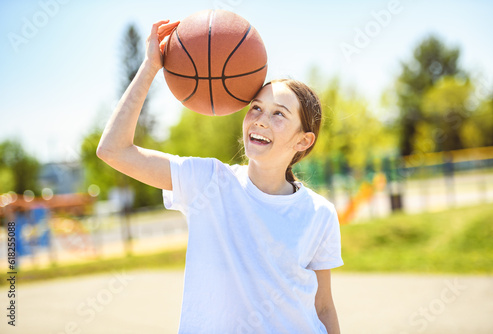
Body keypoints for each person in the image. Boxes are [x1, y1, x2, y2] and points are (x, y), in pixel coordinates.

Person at [97, 20, 343, 334]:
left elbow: (323, 307)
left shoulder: (319, 213)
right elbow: (113, 150)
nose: (260, 120)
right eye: (256, 108)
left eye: (278, 113)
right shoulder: (207, 182)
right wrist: (150, 68)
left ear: (303, 141)